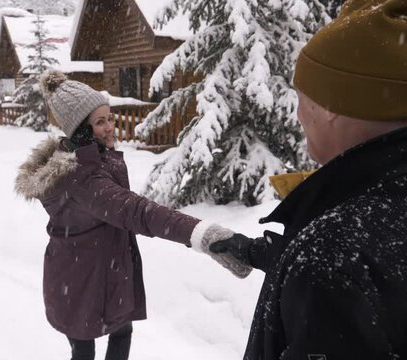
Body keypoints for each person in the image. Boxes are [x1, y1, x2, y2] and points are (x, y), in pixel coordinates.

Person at [210, 0, 407, 358]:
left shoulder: (331, 256)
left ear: (330, 107)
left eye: (302, 99)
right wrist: (252, 250)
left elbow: (345, 270)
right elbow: (393, 280)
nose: (298, 115)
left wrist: (308, 258)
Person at [14, 71, 250, 360]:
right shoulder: (83, 178)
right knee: (84, 350)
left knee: (121, 332)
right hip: (80, 281)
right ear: (80, 130)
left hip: (104, 271)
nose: (111, 127)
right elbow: (137, 211)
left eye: (110, 118)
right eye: (100, 122)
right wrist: (201, 234)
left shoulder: (89, 159)